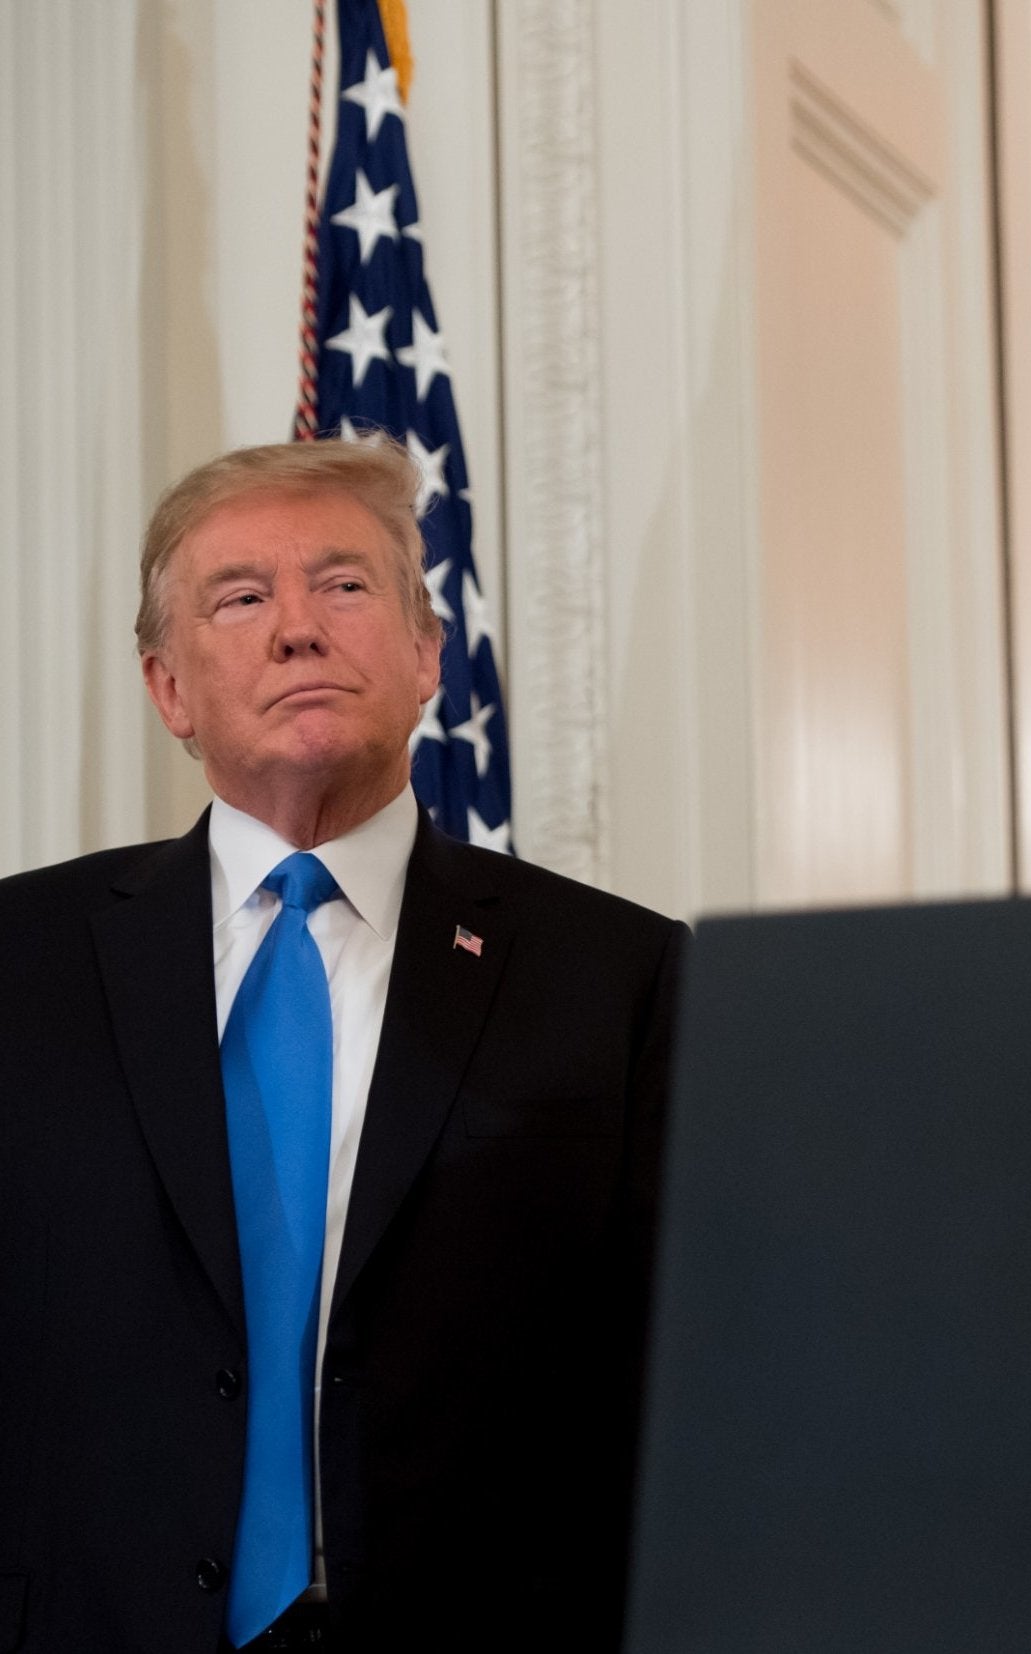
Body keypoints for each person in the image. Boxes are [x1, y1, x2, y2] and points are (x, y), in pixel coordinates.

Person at [0, 438, 684, 1650]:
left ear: (427, 655)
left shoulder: (621, 979)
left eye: (346, 585)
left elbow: (667, 1383)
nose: (299, 629)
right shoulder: (22, 960)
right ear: (170, 688)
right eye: (243, 597)